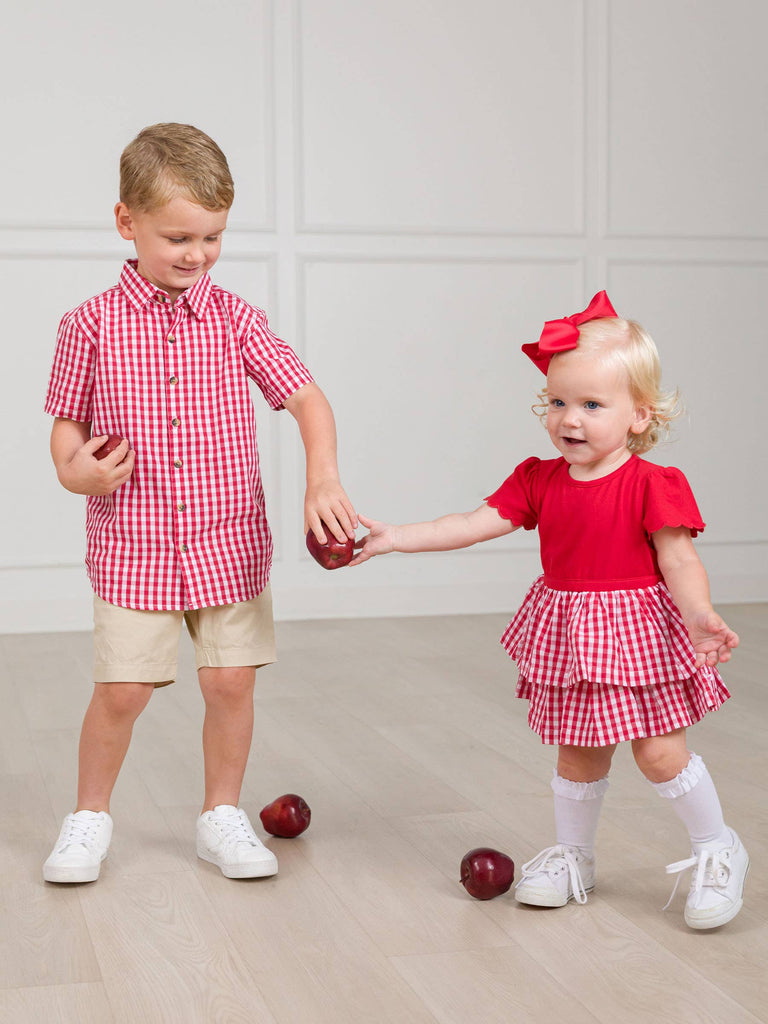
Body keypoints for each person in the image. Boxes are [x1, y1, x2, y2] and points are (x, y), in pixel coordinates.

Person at [351, 291, 748, 929]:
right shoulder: (539, 478)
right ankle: (574, 857)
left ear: (639, 416)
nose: (571, 418)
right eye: (558, 401)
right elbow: (472, 522)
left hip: (636, 634)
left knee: (658, 753)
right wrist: (397, 536)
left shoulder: (652, 484)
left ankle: (716, 848)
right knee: (576, 755)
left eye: (593, 405)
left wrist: (698, 612)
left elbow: (678, 561)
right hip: (570, 633)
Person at [43, 123, 357, 883]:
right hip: (135, 545)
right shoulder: (88, 325)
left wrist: (322, 477)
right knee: (121, 691)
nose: (197, 254)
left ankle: (221, 814)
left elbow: (307, 398)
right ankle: (88, 818)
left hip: (227, 542)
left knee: (230, 681)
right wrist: (75, 473)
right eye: (179, 236)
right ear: (128, 222)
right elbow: (66, 430)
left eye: (213, 237)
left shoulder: (236, 319)